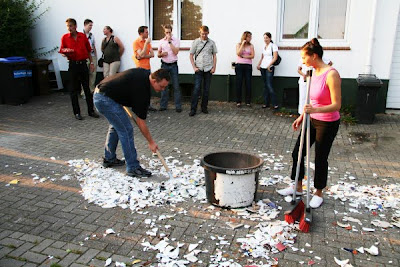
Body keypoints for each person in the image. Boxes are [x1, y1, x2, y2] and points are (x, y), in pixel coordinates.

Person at [277, 38, 341, 209]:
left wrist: (315, 111)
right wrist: (302, 116)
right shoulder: (312, 72)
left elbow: (336, 105)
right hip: (311, 119)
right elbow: (310, 101)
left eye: (304, 57)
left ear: (313, 56)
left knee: (320, 158)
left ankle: (318, 192)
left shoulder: (331, 74)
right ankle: (297, 187)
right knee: (298, 152)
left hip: (327, 123)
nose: (303, 61)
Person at [93, 68, 170, 177]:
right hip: (105, 98)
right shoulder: (142, 91)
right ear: (154, 81)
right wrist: (151, 142)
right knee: (126, 129)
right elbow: (140, 122)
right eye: (162, 86)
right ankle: (133, 167)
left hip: (104, 93)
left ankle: (109, 158)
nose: (163, 89)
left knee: (117, 126)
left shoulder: (144, 74)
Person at [59, 18, 99, 120]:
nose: (69, 28)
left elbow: (89, 50)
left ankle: (91, 111)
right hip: (73, 65)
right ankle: (77, 112)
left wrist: (92, 63)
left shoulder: (82, 36)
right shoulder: (65, 37)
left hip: (83, 64)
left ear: (75, 26)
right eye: (68, 26)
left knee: (87, 88)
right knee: (73, 89)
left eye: (71, 26)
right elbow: (62, 50)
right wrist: (66, 52)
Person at [189, 25, 217, 116]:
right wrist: (194, 67)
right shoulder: (196, 42)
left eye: (205, 34)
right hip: (199, 69)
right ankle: (193, 109)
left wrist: (214, 67)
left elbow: (214, 56)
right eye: (202, 34)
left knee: (206, 90)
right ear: (199, 32)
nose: (203, 35)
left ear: (208, 33)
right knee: (196, 89)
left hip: (208, 69)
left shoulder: (212, 43)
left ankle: (204, 107)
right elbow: (191, 55)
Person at [158, 24, 182, 113]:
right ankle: (163, 105)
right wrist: (161, 54)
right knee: (164, 85)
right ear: (164, 32)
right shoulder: (161, 41)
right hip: (164, 65)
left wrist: (169, 42)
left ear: (171, 32)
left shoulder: (175, 40)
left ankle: (178, 106)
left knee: (176, 86)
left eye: (169, 32)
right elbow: (158, 54)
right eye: (166, 32)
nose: (168, 34)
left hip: (173, 65)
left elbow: (176, 52)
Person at [133, 26, 157, 111]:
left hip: (147, 68)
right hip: (140, 68)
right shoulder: (136, 42)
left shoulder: (148, 43)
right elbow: (141, 55)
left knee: (147, 87)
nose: (148, 33)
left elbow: (152, 54)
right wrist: (146, 45)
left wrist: (143, 56)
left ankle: (148, 105)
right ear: (141, 33)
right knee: (140, 88)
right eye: (146, 32)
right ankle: (139, 105)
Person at [257, 32, 279, 110]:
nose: (265, 39)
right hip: (263, 67)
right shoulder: (264, 46)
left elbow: (275, 57)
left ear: (270, 38)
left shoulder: (273, 46)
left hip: (269, 68)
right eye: (264, 38)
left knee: (269, 85)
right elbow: (262, 57)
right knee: (265, 85)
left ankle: (275, 103)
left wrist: (269, 65)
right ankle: (266, 103)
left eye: (267, 37)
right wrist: (259, 64)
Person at [235, 31, 255, 107]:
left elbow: (252, 56)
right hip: (239, 65)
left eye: (250, 37)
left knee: (248, 83)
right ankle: (238, 101)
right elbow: (238, 53)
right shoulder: (239, 44)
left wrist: (244, 56)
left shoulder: (251, 46)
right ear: (245, 37)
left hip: (248, 66)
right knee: (239, 83)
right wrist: (243, 44)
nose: (250, 38)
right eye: (249, 37)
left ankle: (248, 101)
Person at [82, 19, 97, 95]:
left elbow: (94, 46)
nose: (91, 27)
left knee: (93, 73)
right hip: (84, 56)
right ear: (85, 25)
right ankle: (84, 92)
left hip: (92, 55)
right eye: (90, 25)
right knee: (84, 74)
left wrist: (96, 57)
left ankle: (91, 90)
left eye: (92, 25)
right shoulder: (81, 35)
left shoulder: (91, 35)